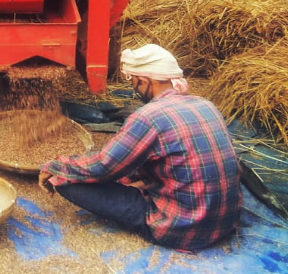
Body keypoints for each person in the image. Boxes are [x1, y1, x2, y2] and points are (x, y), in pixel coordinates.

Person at [38, 44, 242, 253]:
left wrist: (56, 166)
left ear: (145, 81)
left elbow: (103, 166)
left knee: (65, 180)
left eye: (133, 82)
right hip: (226, 221)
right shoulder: (205, 104)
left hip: (179, 228)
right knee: (130, 165)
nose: (134, 88)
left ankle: (150, 211)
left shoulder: (149, 117)